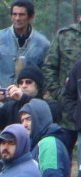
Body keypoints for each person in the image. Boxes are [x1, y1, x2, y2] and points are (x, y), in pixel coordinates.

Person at [0, 1, 49, 93]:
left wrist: (36, 92)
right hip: (2, 97)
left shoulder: (43, 44)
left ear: (30, 17)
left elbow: (47, 73)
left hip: (30, 99)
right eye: (14, 14)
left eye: (21, 15)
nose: (17, 18)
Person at [42, 13, 81, 156]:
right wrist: (60, 95)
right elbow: (49, 67)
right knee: (61, 158)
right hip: (65, 115)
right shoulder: (64, 35)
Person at [0, 64, 49, 132]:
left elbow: (43, 112)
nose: (24, 85)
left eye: (28, 82)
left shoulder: (50, 105)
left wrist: (23, 98)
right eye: (20, 82)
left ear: (38, 86)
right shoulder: (10, 107)